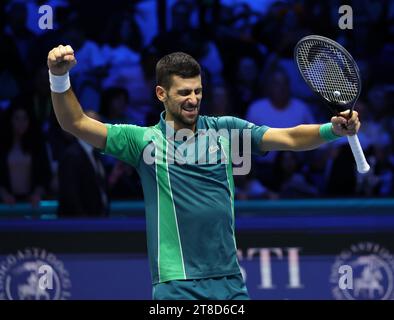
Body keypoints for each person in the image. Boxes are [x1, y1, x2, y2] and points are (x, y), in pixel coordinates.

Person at [47, 45, 361, 300]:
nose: (193, 99)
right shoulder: (142, 140)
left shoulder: (226, 130)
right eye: (184, 92)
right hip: (177, 284)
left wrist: (330, 129)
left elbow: (290, 138)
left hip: (229, 282)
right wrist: (59, 78)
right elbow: (74, 122)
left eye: (197, 91)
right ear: (161, 94)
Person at [57, 110, 109, 218]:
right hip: (78, 226)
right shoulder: (72, 155)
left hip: (97, 221)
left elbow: (97, 189)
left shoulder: (96, 154)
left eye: (100, 125)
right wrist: (84, 222)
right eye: (94, 125)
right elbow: (70, 195)